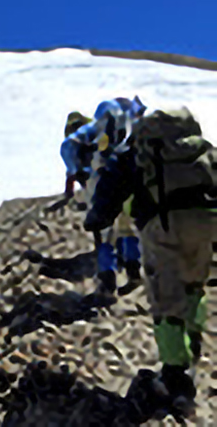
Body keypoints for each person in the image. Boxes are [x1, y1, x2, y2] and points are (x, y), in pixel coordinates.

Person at [84, 106, 217, 421]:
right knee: (193, 284)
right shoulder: (200, 148)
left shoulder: (141, 149)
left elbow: (113, 181)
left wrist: (98, 217)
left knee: (164, 296)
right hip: (207, 223)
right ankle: (192, 339)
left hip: (163, 224)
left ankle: (174, 375)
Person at [60, 97, 146, 296]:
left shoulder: (90, 133)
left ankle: (108, 280)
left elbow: (69, 148)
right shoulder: (128, 130)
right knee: (126, 227)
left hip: (99, 184)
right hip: (126, 181)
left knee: (104, 233)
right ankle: (133, 271)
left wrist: (77, 170)